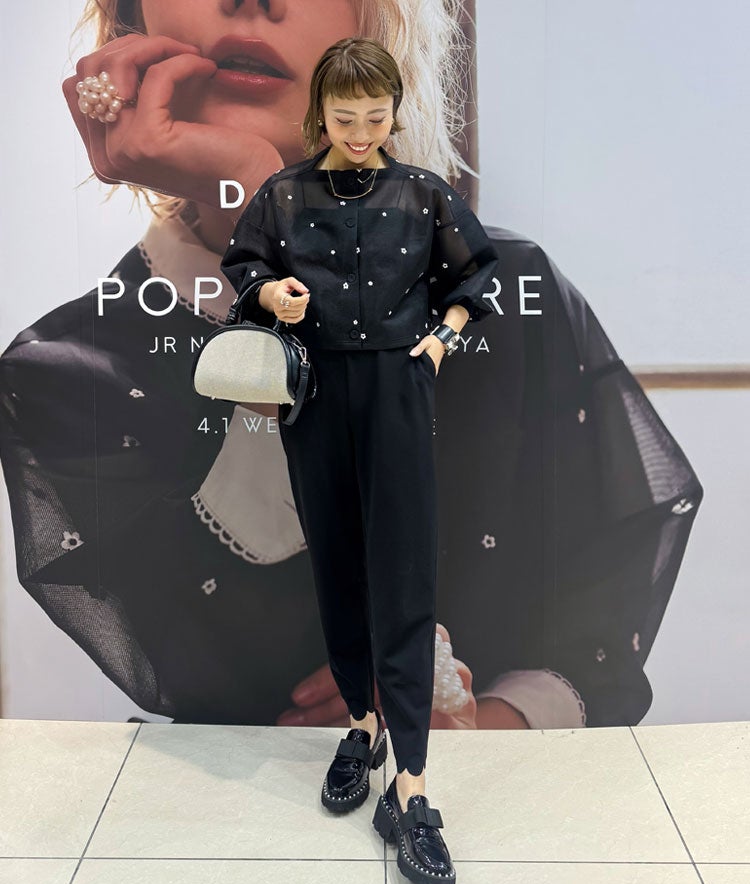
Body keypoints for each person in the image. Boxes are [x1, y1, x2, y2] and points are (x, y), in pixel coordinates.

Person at [0, 0, 702, 756]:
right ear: (130, 22)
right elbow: (236, 656)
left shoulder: (502, 291)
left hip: (496, 808)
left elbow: (596, 641)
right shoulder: (66, 373)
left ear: (381, 30)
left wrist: (480, 724)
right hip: (232, 824)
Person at [220, 36, 502, 884]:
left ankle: (411, 786)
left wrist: (442, 339)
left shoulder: (423, 193)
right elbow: (244, 266)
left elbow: (474, 278)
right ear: (321, 114)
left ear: (393, 113)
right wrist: (273, 294)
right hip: (314, 394)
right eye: (345, 118)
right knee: (338, 567)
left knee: (404, 575)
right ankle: (361, 724)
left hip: (397, 390)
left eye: (375, 117)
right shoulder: (284, 194)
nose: (360, 132)